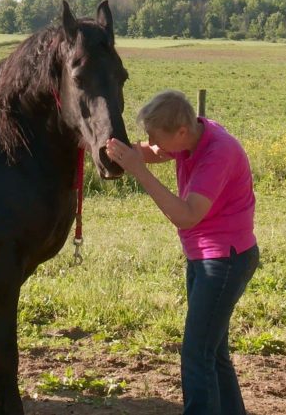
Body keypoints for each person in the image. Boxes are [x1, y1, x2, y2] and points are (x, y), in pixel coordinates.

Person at [105, 90, 259, 415]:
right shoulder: (195, 134)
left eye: (154, 136)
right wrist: (120, 152)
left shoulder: (219, 152)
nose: (150, 143)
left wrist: (139, 171)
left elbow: (186, 215)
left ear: (182, 132)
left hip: (224, 262)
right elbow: (160, 152)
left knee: (196, 354)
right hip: (209, 258)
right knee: (213, 353)